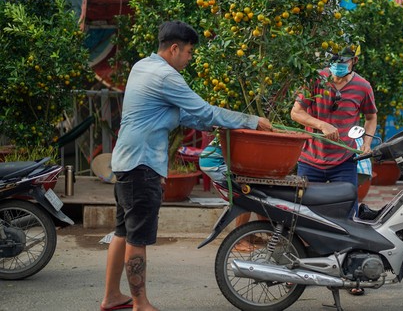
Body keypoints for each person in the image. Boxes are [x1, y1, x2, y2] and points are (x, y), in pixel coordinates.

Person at [100, 20, 272, 311]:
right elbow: (203, 110)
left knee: (123, 232)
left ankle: (112, 297)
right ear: (175, 48)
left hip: (127, 161)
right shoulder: (167, 77)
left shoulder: (142, 66)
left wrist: (218, 123)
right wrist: (250, 121)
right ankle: (140, 304)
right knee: (137, 237)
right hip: (141, 164)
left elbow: (183, 116)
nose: (190, 59)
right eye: (190, 52)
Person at [290, 44, 376, 296]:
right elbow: (296, 112)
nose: (337, 65)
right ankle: (292, 270)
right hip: (309, 159)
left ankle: (351, 275)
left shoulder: (363, 86)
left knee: (349, 218)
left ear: (354, 61)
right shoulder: (315, 79)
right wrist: (321, 124)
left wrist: (367, 143)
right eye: (334, 60)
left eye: (344, 60)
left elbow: (371, 116)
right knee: (298, 215)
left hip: (344, 162)